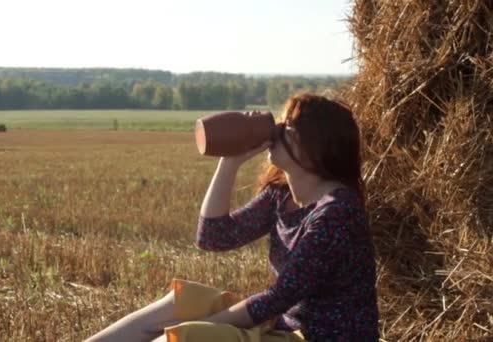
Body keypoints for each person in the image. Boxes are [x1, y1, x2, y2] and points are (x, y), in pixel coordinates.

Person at [86, 93, 379, 341]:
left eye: (288, 126)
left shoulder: (338, 212)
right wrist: (229, 162)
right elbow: (213, 237)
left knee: (189, 337)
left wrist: (204, 326)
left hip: (318, 337)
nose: (275, 129)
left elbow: (277, 298)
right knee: (178, 303)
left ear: (318, 145)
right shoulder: (281, 195)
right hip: (284, 326)